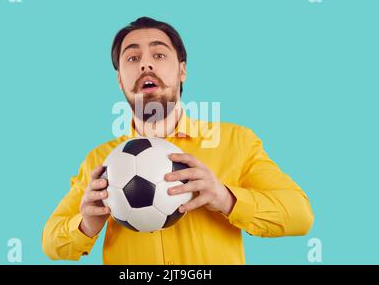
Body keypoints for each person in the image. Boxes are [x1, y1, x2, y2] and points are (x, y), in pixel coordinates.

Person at [42, 17, 314, 264]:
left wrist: (225, 198)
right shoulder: (100, 161)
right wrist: (86, 225)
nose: (146, 64)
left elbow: (300, 215)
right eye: (132, 58)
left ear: (182, 70)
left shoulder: (236, 141)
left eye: (159, 54)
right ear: (119, 80)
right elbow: (50, 243)